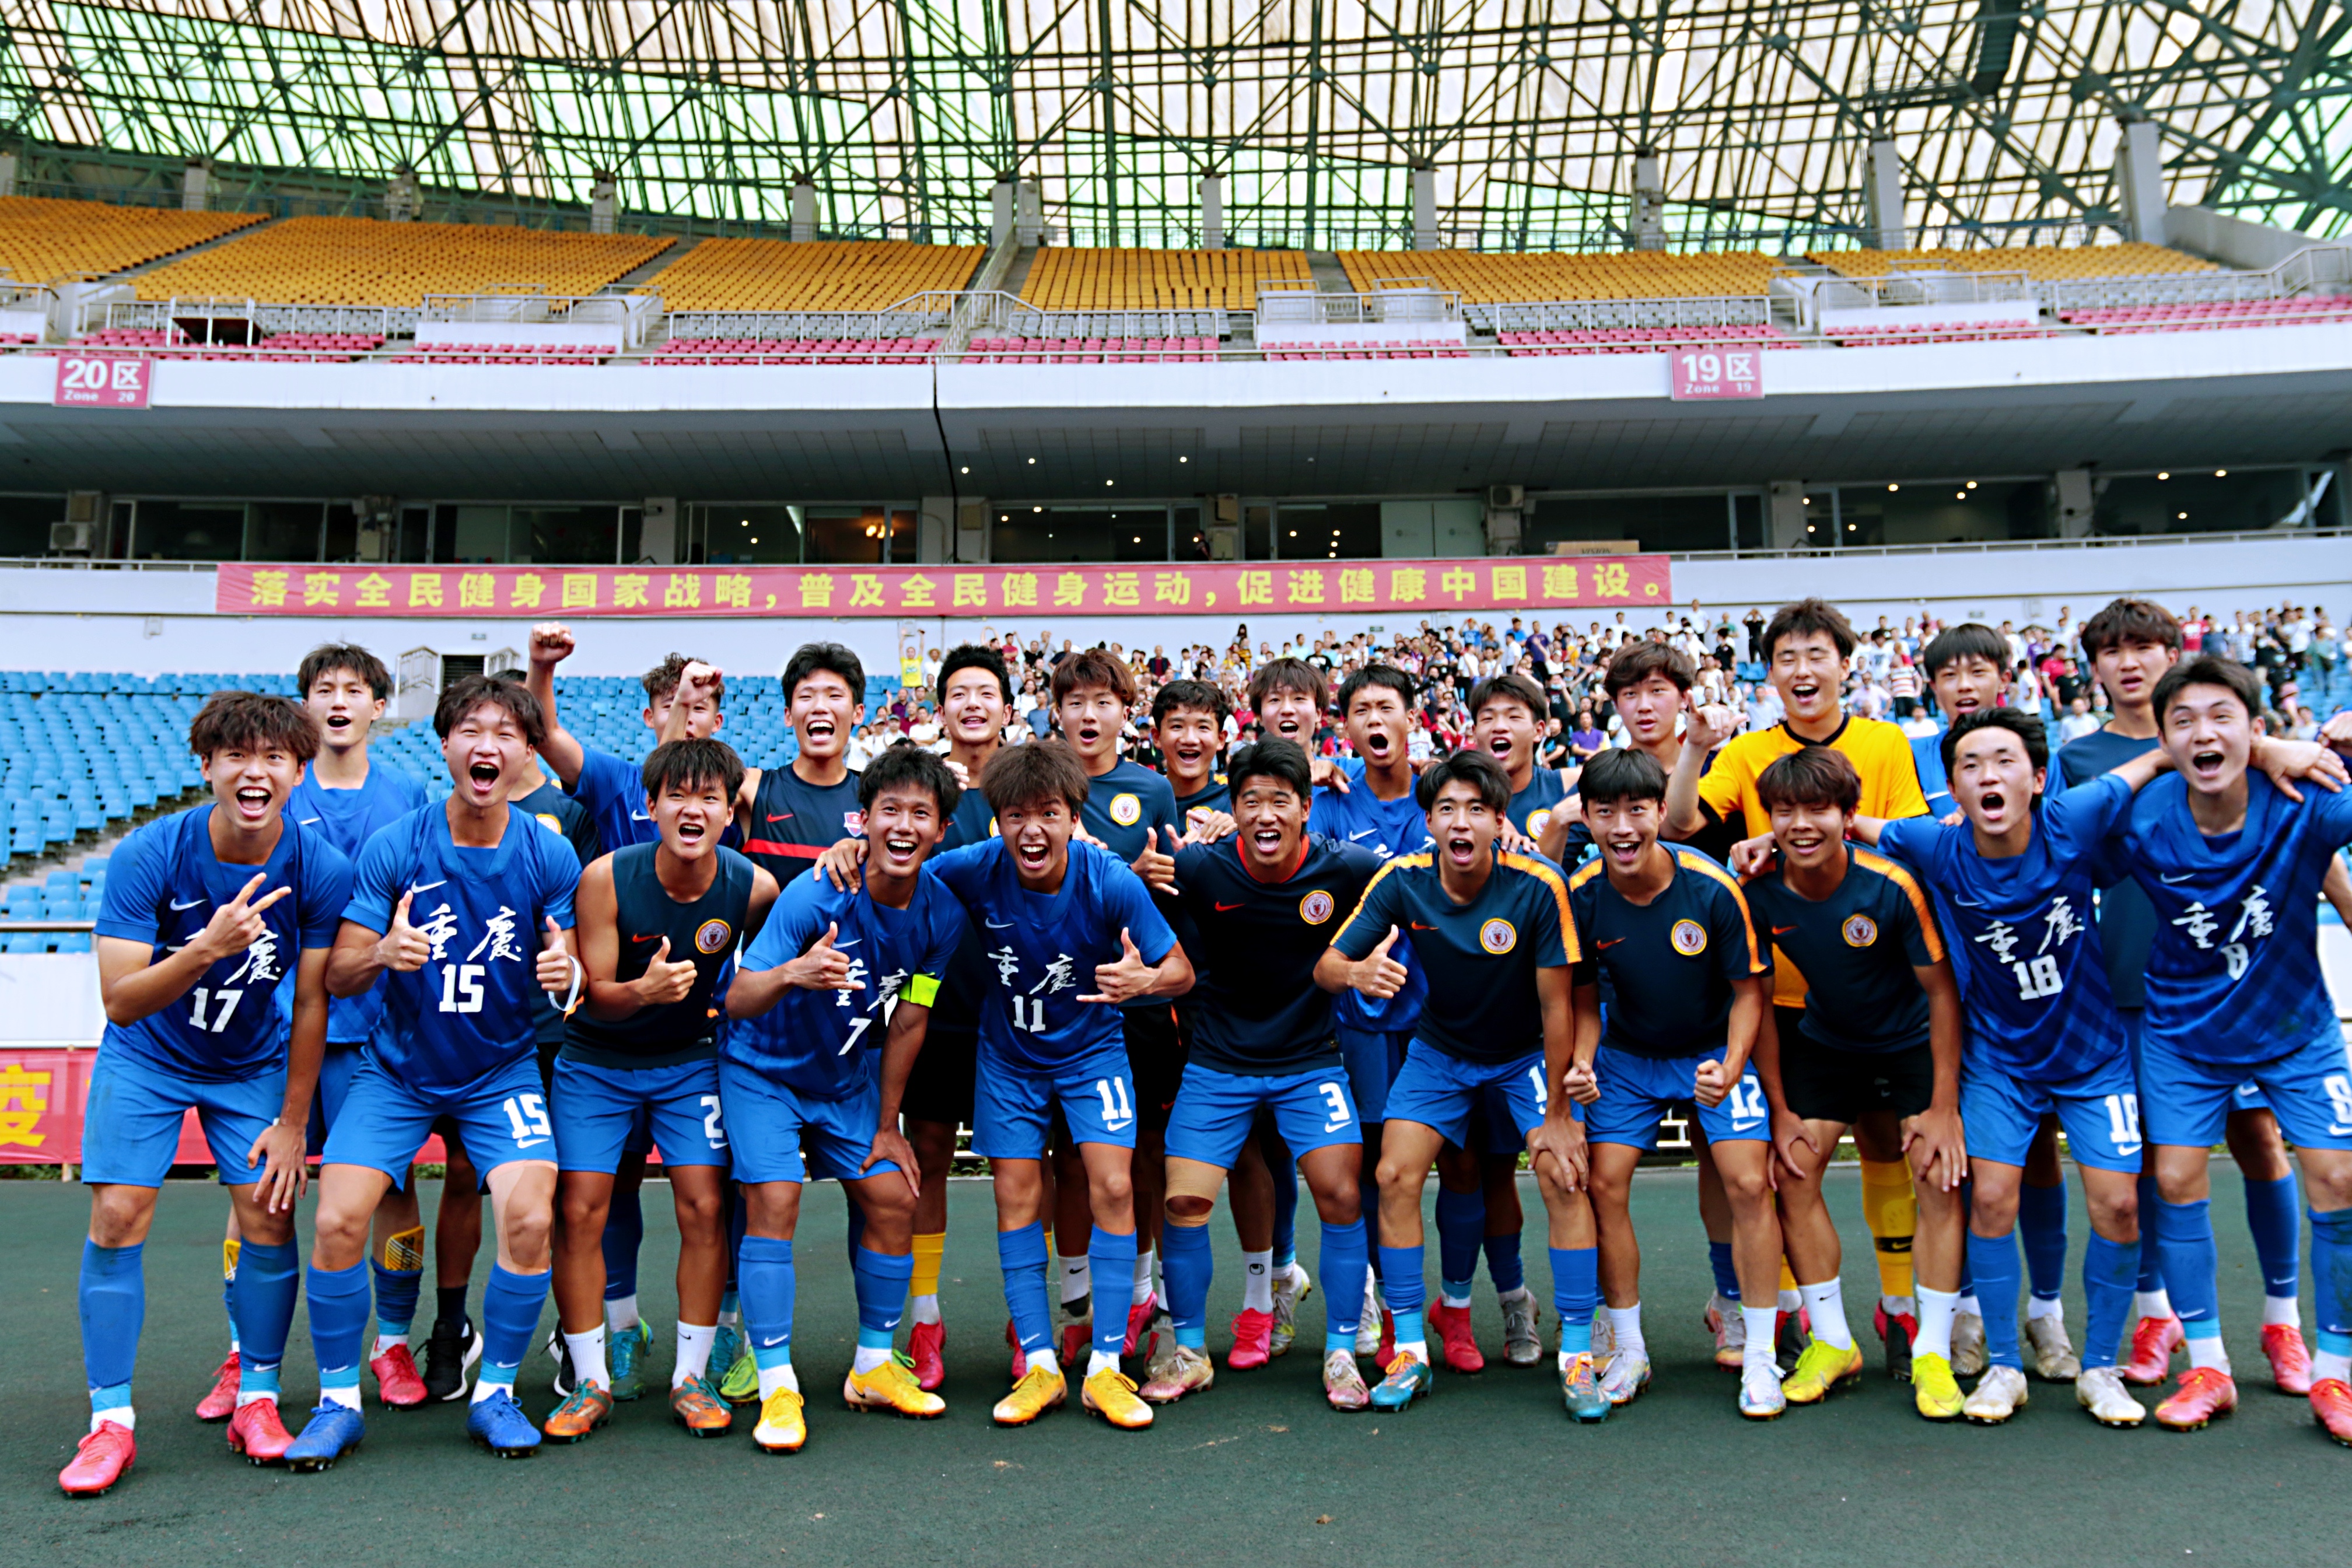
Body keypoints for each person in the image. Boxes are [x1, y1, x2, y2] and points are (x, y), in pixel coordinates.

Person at [844, 740, 1194, 1429]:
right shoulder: (975, 867)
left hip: (1093, 1055)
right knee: (1015, 1197)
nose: (1032, 830)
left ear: (1073, 818)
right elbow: (900, 871)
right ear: (996, 821)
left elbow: (1179, 970)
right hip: (1008, 1060)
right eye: (1016, 816)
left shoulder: (1109, 879)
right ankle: (1039, 1364)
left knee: (1114, 1186)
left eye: (1049, 814)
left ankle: (1105, 1369)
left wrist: (1145, 981)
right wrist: (852, 852)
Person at [285, 676, 582, 1470]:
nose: (488, 746)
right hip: (396, 1072)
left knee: (530, 1216)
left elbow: (573, 960)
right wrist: (383, 952)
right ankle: (339, 1402)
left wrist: (568, 970)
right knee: (338, 1220)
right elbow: (338, 972)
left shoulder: (548, 850)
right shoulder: (397, 846)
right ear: (445, 745)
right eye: (471, 731)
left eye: (506, 733)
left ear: (526, 752)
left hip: (500, 1072)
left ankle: (497, 1393)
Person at [59, 694, 348, 1496]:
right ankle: (110, 1422)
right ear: (208, 767)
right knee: (118, 1217)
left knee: (268, 1213)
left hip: (249, 1062)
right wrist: (205, 948)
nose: (256, 773)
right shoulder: (151, 853)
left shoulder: (319, 868)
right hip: (147, 1057)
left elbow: (313, 1001)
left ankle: (258, 1399)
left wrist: (294, 1122)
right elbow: (121, 1002)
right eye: (237, 757)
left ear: (299, 771)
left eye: (274, 758)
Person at [1856, 710, 2174, 1426]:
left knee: (2120, 1205)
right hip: (1999, 1061)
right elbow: (1857, 825)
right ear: (1953, 788)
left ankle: (2100, 1368)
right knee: (1993, 1198)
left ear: (2037, 777)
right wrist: (1764, 842)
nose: (1988, 776)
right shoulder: (1936, 845)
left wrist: (2270, 746)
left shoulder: (2071, 819)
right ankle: (2004, 1365)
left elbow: (2153, 761)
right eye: (1970, 766)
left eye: (2004, 761)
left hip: (2093, 1059)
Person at [1665, 597, 1933, 1380]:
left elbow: (1908, 848)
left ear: (1847, 665)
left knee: (1887, 1144)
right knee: (1788, 1157)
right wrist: (1697, 749)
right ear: (1769, 672)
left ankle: (1901, 1308)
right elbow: (1680, 823)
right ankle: (1796, 1315)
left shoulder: (1885, 743)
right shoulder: (1749, 752)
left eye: (1818, 655)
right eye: (1787, 657)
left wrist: (1797, 837)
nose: (1803, 670)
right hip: (1782, 998)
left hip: (1878, 990)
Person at [2061, 599, 2318, 1398]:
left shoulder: (2236, 743)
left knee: (2261, 1143)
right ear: (2094, 669)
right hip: (2132, 983)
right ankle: (2158, 1314)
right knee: (2152, 1161)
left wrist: (2270, 747)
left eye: (2144, 646)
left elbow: (2306, 836)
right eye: (2112, 651)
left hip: (2243, 985)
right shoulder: (2082, 759)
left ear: (2174, 655)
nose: (2129, 662)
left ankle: (2283, 1321)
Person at [1319, 750, 1599, 1417]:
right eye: (1447, 809)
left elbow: (1558, 1006)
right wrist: (1356, 974)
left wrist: (1560, 1114)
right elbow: (1328, 965)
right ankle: (1412, 1351)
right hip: (1440, 1053)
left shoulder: (1539, 885)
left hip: (1523, 1055)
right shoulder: (1402, 880)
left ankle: (1579, 1355)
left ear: (1501, 821)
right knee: (1393, 1175)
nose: (1461, 822)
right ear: (1430, 822)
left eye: (1477, 809)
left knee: (1563, 1174)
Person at [2117, 657, 2352, 1441]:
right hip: (2184, 1035)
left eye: (2222, 717)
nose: (2203, 734)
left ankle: (2334, 1372)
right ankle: (2209, 1368)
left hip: (2294, 1029)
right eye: (2183, 721)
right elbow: (2059, 829)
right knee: (2176, 1179)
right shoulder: (2144, 819)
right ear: (2163, 740)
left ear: (2254, 728)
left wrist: (2320, 744)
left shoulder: (2303, 799)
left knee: (2339, 1178)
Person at [723, 744, 967, 1451]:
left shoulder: (942, 915)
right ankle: (778, 1384)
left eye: (920, 813)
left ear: (941, 830)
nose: (903, 825)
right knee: (775, 1201)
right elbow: (738, 997)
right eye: (890, 810)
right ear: (863, 819)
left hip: (843, 1079)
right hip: (763, 1072)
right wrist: (795, 973)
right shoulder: (816, 893)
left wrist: (889, 1124)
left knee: (894, 1197)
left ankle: (871, 1367)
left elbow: (911, 1018)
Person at [207, 648, 425, 1423]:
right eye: (324, 690)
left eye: (354, 690)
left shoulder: (407, 794)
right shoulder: (271, 787)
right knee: (255, 1192)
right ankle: (244, 1353)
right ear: (304, 706)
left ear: (378, 708)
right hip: (273, 1029)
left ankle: (392, 1344)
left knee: (389, 1188)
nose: (339, 702)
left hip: (375, 1031)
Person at [540, 739, 778, 1444]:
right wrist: (643, 992)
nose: (692, 809)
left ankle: (690, 1378)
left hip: (689, 1062)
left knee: (705, 1206)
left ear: (730, 813)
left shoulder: (754, 889)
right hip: (598, 1061)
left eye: (709, 797)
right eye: (677, 795)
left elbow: (764, 973)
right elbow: (591, 997)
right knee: (579, 1211)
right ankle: (591, 1381)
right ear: (651, 806)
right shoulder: (607, 878)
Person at [1141, 740, 1383, 1410]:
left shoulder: (1350, 867)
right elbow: (1125, 892)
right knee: (1183, 1203)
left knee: (1341, 1195)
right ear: (1234, 808)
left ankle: (1341, 1352)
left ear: (1306, 808)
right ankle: (1190, 1351)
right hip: (1218, 1063)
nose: (1266, 814)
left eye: (1281, 800)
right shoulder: (1200, 867)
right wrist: (1136, 875)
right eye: (1251, 801)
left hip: (1310, 1061)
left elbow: (1419, 883)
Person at [524, 629, 731, 1394]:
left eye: (703, 705)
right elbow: (544, 731)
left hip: (697, 1040)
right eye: (675, 704)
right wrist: (542, 668)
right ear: (650, 715)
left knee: (713, 1197)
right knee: (602, 1194)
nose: (689, 715)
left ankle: (720, 1338)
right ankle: (619, 1328)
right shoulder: (617, 781)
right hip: (608, 1028)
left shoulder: (733, 789)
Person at [1742, 748, 1969, 1420]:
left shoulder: (1891, 885)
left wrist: (1945, 1106)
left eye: (1818, 809)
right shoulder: (1759, 890)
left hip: (1910, 1045)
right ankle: (1834, 1342)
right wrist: (1779, 1108)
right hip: (1828, 1044)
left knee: (1937, 1175)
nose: (1801, 824)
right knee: (1793, 1173)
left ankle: (1933, 1351)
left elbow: (1943, 995)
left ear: (1848, 815)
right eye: (1785, 811)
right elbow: (1756, 1000)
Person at [1566, 750, 1780, 1416]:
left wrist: (1733, 1064)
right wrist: (1582, 1060)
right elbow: (1581, 1000)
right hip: (1627, 1057)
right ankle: (1629, 1349)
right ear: (1588, 819)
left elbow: (1750, 992)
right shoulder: (1582, 894)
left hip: (1711, 1051)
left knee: (1748, 1182)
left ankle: (1761, 1354)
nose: (1622, 828)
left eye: (1636, 810)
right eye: (1605, 813)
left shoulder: (1712, 888)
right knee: (1604, 1183)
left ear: (1662, 811)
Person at [1049, 650, 1184, 1368]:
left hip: (1136, 1005)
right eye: (1076, 702)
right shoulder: (1038, 783)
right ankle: (1076, 1304)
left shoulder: (1151, 789)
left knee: (1145, 1154)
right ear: (1056, 713)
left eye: (1104, 702)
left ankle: (1140, 1296)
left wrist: (1148, 876)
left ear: (1125, 714)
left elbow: (1165, 897)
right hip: (1058, 1001)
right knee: (1071, 1159)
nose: (1089, 715)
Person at [894, 644, 1016, 1391]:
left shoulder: (1030, 785)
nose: (973, 704)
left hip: (1017, 1015)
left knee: (1023, 1169)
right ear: (940, 709)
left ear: (1008, 707)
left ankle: (1028, 1324)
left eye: (986, 692)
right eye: (959, 693)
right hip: (934, 1006)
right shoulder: (920, 786)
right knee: (929, 1160)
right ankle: (927, 1320)